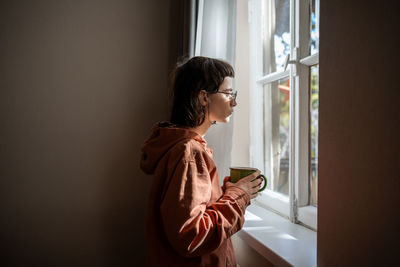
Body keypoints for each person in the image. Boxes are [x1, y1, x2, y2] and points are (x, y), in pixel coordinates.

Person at [140, 56, 263, 267]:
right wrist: (238, 197)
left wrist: (227, 194)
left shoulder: (185, 147)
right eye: (228, 93)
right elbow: (191, 235)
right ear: (204, 98)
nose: (234, 101)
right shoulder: (188, 152)